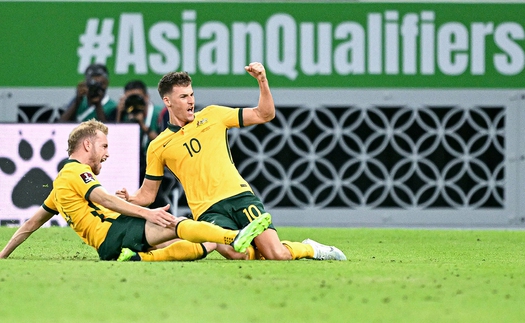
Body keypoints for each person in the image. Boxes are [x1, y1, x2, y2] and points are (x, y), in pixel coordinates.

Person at [117, 62, 347, 261]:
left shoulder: (213, 115)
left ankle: (310, 248)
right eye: (183, 96)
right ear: (167, 101)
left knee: (277, 255)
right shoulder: (158, 145)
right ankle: (259, 246)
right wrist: (130, 199)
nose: (191, 101)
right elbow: (148, 195)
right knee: (236, 253)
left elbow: (264, 114)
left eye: (192, 94)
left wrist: (262, 81)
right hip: (206, 210)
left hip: (238, 197)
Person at [0, 119, 271, 262]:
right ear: (86, 147)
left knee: (180, 243)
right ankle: (232, 237)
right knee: (177, 224)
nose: (107, 154)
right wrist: (146, 213)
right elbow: (103, 198)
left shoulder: (60, 184)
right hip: (114, 233)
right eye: (103, 147)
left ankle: (140, 258)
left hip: (111, 240)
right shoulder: (75, 172)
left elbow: (30, 225)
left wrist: (3, 254)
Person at [116, 80, 164, 184]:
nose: (134, 103)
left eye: (137, 98)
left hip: (157, 163)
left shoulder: (160, 113)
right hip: (131, 164)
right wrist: (119, 113)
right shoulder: (125, 114)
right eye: (130, 99)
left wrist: (142, 125)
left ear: (146, 97)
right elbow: (115, 143)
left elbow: (164, 144)